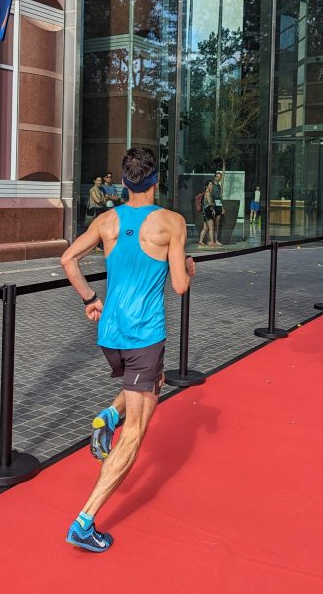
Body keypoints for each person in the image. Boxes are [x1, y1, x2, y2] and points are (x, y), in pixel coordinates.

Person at [60, 147, 196, 553]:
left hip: (109, 335)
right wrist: (188, 266)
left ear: (124, 182)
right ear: (156, 180)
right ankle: (84, 521)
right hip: (143, 335)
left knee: (154, 380)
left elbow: (68, 259)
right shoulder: (172, 222)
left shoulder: (106, 220)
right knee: (136, 433)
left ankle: (107, 415)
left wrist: (89, 298)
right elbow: (179, 287)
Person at [198, 180, 215, 247]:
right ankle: (211, 242)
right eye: (210, 185)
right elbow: (210, 203)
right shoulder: (207, 193)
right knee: (211, 227)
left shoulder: (207, 193)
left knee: (205, 228)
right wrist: (214, 204)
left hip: (205, 212)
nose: (211, 186)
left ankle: (200, 242)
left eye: (212, 184)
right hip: (207, 212)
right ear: (207, 186)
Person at [210, 169, 224, 246]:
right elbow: (210, 197)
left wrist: (222, 207)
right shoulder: (211, 185)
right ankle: (210, 240)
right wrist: (211, 207)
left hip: (218, 205)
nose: (219, 178)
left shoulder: (219, 186)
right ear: (214, 177)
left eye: (220, 177)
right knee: (211, 224)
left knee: (217, 224)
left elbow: (219, 197)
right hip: (213, 206)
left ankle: (216, 240)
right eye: (217, 177)